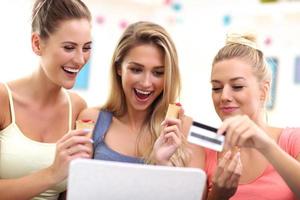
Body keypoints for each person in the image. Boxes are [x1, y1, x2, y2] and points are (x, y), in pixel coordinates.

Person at [0, 0, 94, 199]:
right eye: (69, 48)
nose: (80, 59)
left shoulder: (78, 108)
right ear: (37, 43)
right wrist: (52, 173)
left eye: (86, 48)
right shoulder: (3, 99)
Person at [79, 21, 201, 167]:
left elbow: (196, 190)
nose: (146, 83)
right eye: (136, 70)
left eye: (158, 73)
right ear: (119, 68)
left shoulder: (185, 129)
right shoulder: (90, 120)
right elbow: (72, 186)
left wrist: (163, 164)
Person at [204, 32, 300, 199]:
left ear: (263, 91)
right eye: (216, 88)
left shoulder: (293, 141)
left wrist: (267, 146)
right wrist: (218, 195)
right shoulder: (205, 150)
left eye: (237, 86)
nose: (224, 96)